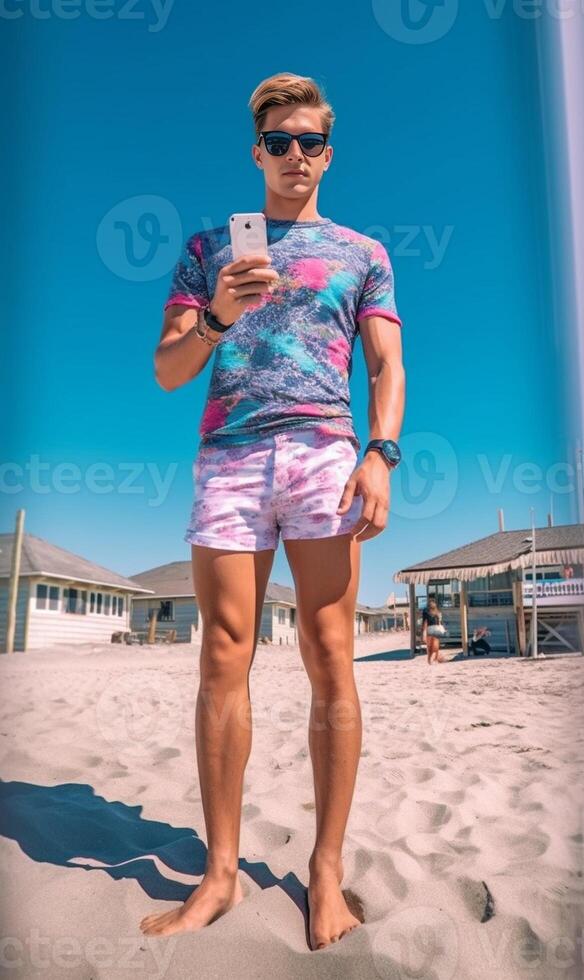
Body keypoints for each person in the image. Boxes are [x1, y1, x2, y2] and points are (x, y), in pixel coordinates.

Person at [141, 72, 405, 951]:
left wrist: (381, 452)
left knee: (332, 651)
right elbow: (168, 370)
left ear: (330, 152)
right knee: (224, 653)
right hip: (231, 456)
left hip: (327, 454)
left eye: (312, 142)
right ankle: (220, 874)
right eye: (281, 141)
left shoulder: (364, 251)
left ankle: (324, 873)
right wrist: (217, 314)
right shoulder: (209, 246)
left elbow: (384, 367)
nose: (297, 156)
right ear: (257, 151)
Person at [421, 597, 446, 664]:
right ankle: (431, 659)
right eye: (431, 603)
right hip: (433, 629)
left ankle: (433, 659)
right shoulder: (429, 611)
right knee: (432, 644)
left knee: (433, 645)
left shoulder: (434, 611)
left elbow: (439, 622)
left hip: (433, 629)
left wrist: (423, 630)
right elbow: (425, 622)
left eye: (433, 603)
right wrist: (423, 631)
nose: (432, 604)